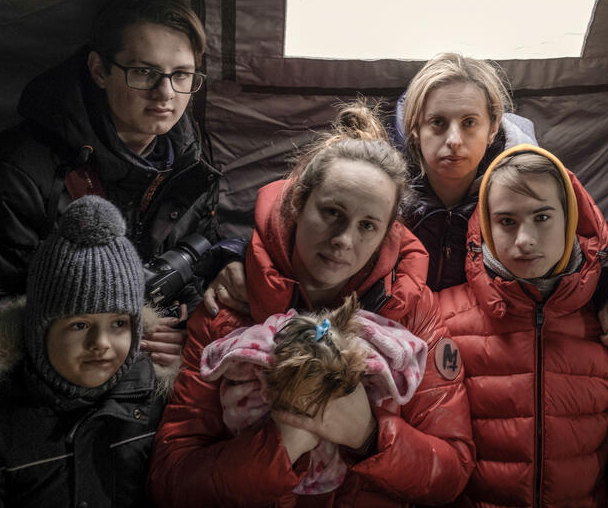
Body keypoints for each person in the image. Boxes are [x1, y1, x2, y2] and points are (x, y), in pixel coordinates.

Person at [149, 101, 474, 507]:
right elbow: (172, 479)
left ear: (387, 233)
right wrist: (281, 445)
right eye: (332, 213)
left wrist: (370, 435)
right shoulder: (227, 308)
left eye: (367, 226)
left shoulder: (412, 311)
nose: (343, 240)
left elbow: (451, 472)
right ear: (298, 205)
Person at [205, 52, 608, 342]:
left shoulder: (521, 187)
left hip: (483, 340)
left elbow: (572, 260)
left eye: (470, 123)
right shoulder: (383, 188)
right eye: (438, 123)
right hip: (396, 331)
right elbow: (292, 227)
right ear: (415, 128)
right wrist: (226, 257)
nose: (454, 140)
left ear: (494, 126)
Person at [0, 0, 227, 369]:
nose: (165, 94)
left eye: (180, 75)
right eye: (144, 72)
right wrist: (100, 330)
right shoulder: (14, 174)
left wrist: (189, 329)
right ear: (99, 70)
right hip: (41, 375)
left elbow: (198, 268)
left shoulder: (189, 162)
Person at [438, 144, 608, 507]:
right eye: (507, 221)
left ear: (570, 218)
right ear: (487, 225)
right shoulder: (441, 322)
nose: (524, 241)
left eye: (542, 217)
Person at [0, 195, 166, 507]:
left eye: (119, 323)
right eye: (79, 325)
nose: (102, 343)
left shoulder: (155, 399)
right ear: (40, 330)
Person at [197, 293, 429, 496]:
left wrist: (369, 437)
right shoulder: (219, 321)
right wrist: (282, 448)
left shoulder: (418, 312)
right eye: (333, 381)